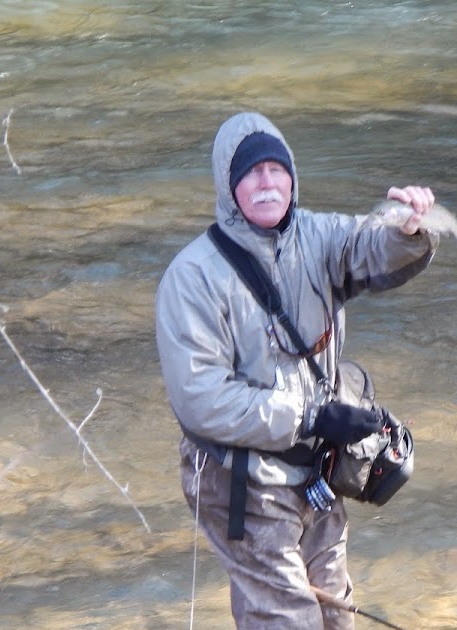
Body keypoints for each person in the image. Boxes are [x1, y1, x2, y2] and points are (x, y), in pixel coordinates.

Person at [155, 111, 441, 629]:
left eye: (276, 169)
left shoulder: (320, 237)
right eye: (251, 172)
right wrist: (310, 418)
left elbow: (372, 249)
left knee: (336, 612)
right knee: (286, 619)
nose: (267, 181)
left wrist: (407, 229)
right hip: (239, 479)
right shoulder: (191, 278)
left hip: (317, 473)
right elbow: (200, 400)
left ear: (292, 177)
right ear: (229, 185)